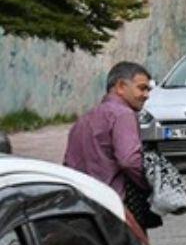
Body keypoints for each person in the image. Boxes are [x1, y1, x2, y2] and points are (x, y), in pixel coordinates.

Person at [63, 61, 152, 198]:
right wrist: (151, 184)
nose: (146, 95)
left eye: (148, 90)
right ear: (121, 87)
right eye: (142, 88)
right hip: (113, 202)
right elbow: (129, 160)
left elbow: (69, 163)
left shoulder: (84, 119)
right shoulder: (123, 114)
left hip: (82, 202)